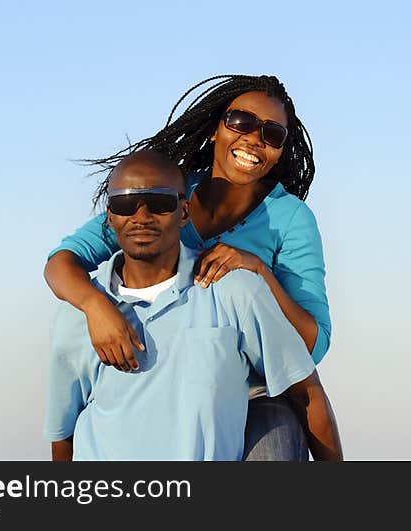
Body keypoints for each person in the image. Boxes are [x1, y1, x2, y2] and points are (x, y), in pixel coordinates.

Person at [44, 74, 331, 460]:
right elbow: (61, 264)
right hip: (173, 374)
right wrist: (96, 308)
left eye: (272, 134)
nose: (253, 139)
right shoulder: (162, 197)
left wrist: (258, 271)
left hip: (252, 387)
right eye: (241, 122)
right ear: (216, 128)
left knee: (277, 439)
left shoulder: (291, 219)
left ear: (281, 149)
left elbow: (311, 346)